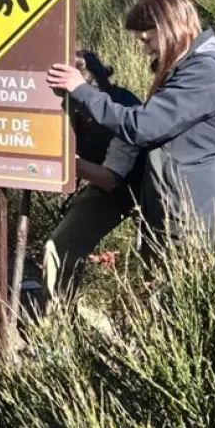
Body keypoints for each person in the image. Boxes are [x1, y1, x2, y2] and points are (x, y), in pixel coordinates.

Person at [46, 0, 215, 270]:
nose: (146, 49)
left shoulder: (205, 72)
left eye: (147, 39)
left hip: (203, 220)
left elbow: (142, 126)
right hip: (179, 212)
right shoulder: (185, 72)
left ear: (168, 26)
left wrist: (81, 90)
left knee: (203, 293)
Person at [40, 50, 146, 309]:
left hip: (149, 191)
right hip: (107, 192)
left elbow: (110, 178)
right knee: (57, 249)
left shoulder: (125, 110)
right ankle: (59, 324)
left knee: (153, 264)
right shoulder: (65, 107)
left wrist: (66, 161)